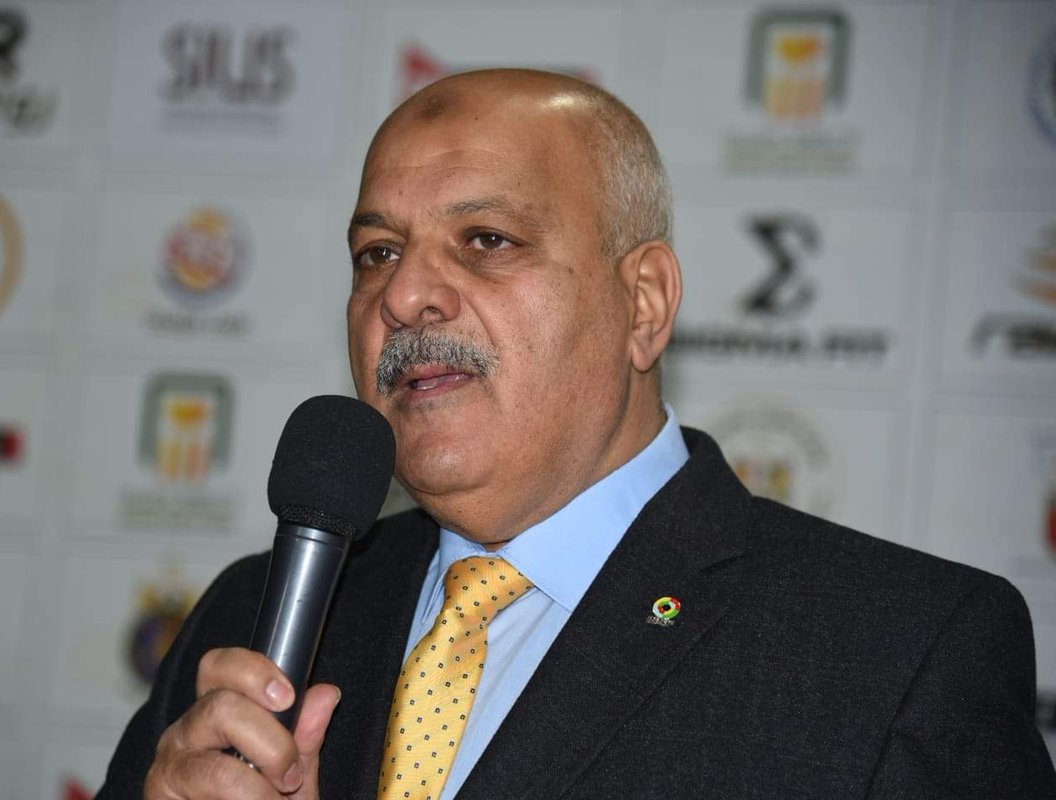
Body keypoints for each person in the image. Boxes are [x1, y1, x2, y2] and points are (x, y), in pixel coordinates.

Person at [99, 69, 1056, 799]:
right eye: (377, 253)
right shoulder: (251, 620)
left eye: (487, 241)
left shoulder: (901, 652)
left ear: (645, 304)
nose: (404, 294)